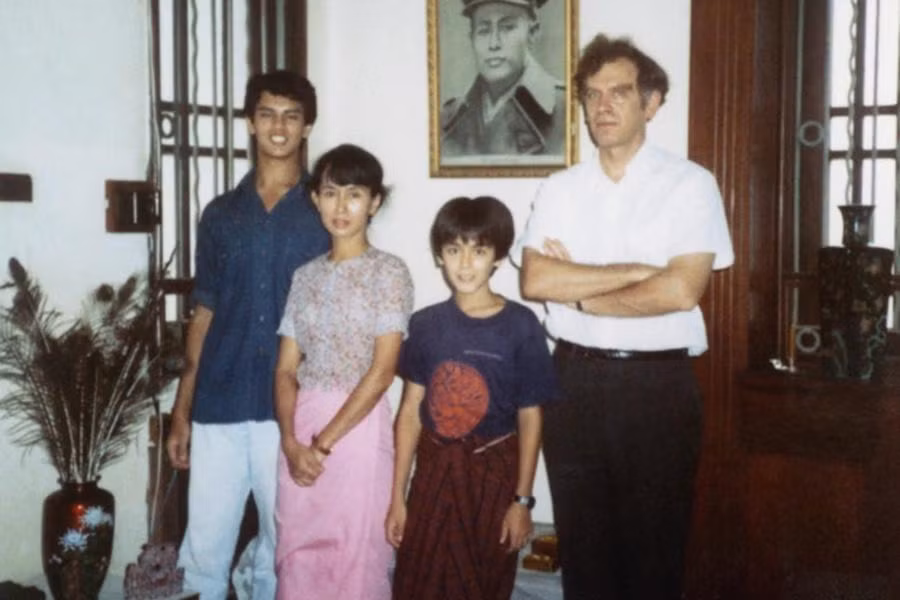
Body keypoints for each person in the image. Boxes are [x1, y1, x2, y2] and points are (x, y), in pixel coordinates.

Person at [513, 34, 734, 599]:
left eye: (619, 92)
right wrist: (636, 271)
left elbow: (681, 290)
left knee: (653, 559)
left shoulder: (690, 184)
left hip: (656, 387)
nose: (603, 106)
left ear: (651, 103)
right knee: (585, 558)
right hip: (574, 383)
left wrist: (580, 293)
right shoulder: (560, 188)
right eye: (592, 94)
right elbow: (536, 281)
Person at [165, 70, 329, 599]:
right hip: (220, 401)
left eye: (291, 116)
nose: (279, 127)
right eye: (267, 114)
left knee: (284, 553)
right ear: (250, 123)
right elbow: (204, 314)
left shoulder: (325, 213)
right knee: (203, 551)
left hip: (293, 410)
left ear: (307, 127)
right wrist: (182, 410)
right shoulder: (220, 215)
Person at [386, 196, 557, 600]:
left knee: (482, 581)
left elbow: (530, 416)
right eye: (453, 250)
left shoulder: (521, 325)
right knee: (419, 582)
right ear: (439, 256)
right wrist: (397, 498)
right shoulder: (425, 324)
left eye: (478, 251)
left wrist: (522, 501)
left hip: (492, 477)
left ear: (497, 257)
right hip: (432, 473)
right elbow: (409, 412)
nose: (465, 264)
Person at [273, 144, 414, 600]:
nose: (341, 206)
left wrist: (322, 445)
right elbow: (286, 369)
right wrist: (291, 442)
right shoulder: (305, 276)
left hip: (357, 430)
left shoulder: (389, 272)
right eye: (330, 193)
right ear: (315, 198)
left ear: (374, 202)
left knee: (356, 560)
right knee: (298, 558)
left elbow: (383, 370)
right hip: (301, 426)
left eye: (354, 194)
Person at [441, 0, 566, 157]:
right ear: (471, 39)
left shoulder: (565, 110)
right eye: (484, 31)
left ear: (532, 33)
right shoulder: (447, 119)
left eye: (507, 28)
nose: (494, 44)